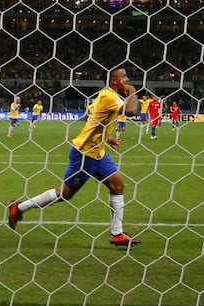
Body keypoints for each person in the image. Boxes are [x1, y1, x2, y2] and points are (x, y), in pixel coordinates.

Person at [8, 68, 141, 247]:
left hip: (97, 152)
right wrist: (132, 91)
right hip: (85, 154)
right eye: (123, 77)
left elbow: (89, 116)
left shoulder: (103, 95)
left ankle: (117, 234)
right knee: (64, 194)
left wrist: (105, 136)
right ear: (114, 81)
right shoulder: (110, 97)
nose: (127, 79)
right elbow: (132, 111)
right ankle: (19, 207)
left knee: (117, 185)